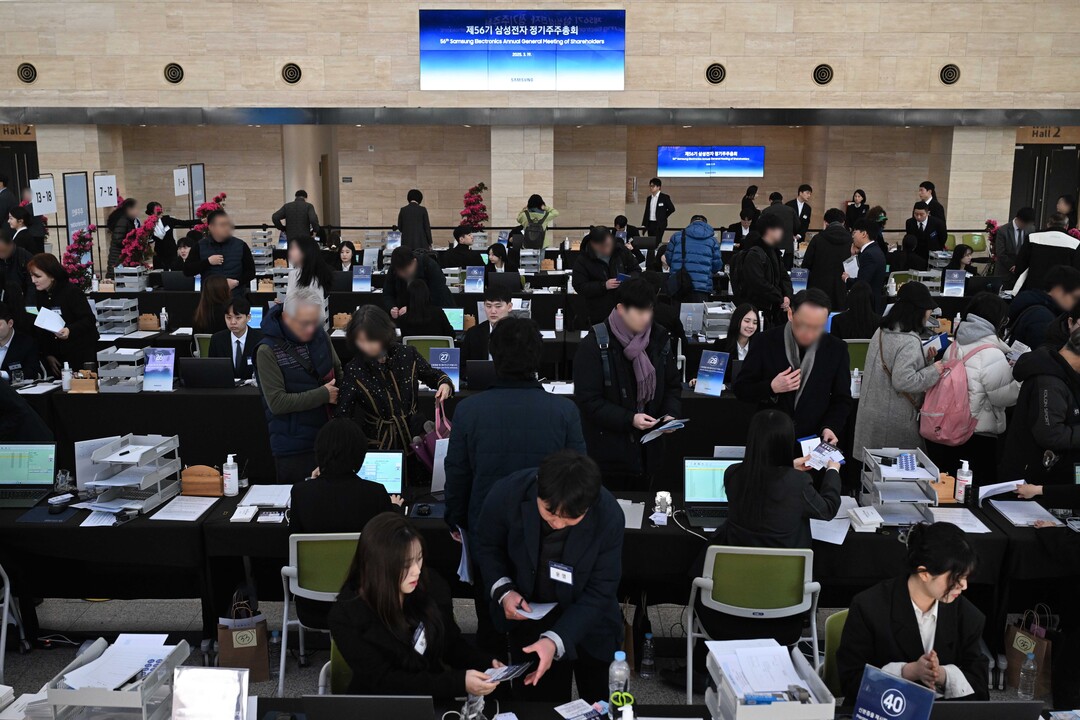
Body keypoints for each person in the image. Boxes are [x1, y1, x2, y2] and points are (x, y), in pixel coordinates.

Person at [445, 318, 586, 651]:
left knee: (490, 620)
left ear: (494, 356)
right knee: (544, 619)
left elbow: (458, 473)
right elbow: (580, 475)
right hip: (548, 531)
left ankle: (491, 678)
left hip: (487, 529)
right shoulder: (564, 411)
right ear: (537, 358)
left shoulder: (469, 410)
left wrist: (455, 518)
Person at [475, 450, 623, 703]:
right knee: (539, 704)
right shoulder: (507, 494)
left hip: (590, 622)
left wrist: (555, 640)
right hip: (531, 619)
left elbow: (601, 589)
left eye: (570, 518)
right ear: (537, 490)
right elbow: (487, 546)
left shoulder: (608, 515)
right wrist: (504, 591)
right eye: (550, 513)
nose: (558, 524)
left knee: (599, 703)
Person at [330, 513, 501, 700]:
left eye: (419, 558)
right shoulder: (347, 616)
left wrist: (486, 664)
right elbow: (384, 682)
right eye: (405, 565)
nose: (417, 570)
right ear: (379, 567)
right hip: (380, 705)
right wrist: (459, 682)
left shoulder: (430, 585)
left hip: (433, 697)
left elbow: (450, 644)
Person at [838, 522, 987, 701]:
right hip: (882, 708)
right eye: (956, 578)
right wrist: (908, 672)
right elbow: (850, 681)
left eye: (965, 577)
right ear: (924, 573)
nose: (964, 585)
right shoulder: (869, 607)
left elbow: (980, 687)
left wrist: (942, 674)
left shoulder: (968, 616)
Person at [573, 279, 681, 490]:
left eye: (649, 310)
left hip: (649, 451)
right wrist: (629, 419)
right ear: (621, 309)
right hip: (609, 453)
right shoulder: (594, 345)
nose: (646, 318)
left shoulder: (659, 337)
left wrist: (670, 414)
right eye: (640, 312)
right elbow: (588, 401)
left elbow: (672, 385)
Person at [734, 289, 852, 443]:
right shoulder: (764, 342)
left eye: (818, 327)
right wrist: (771, 387)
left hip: (813, 441)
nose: (810, 334)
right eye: (804, 325)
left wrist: (830, 427)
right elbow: (742, 389)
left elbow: (842, 399)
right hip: (770, 439)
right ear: (790, 314)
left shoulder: (836, 349)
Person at [926, 293, 1019, 485]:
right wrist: (1019, 380)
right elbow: (1003, 397)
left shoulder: (954, 345)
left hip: (949, 427)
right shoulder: (992, 353)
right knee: (975, 491)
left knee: (951, 487)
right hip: (977, 433)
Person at [335, 305, 452, 454]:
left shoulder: (407, 354)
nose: (366, 346)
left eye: (371, 340)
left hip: (415, 438)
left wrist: (444, 383)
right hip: (379, 443)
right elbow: (343, 415)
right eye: (360, 341)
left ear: (384, 334)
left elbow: (432, 375)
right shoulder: (355, 369)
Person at [256, 286, 342, 484]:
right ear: (286, 317)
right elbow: (277, 403)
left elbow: (337, 370)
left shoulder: (320, 335)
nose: (311, 329)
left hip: (328, 439)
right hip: (293, 447)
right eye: (305, 323)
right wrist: (323, 395)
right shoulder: (266, 350)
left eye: (315, 322)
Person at [852, 282, 944, 462]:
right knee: (898, 471)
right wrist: (934, 370)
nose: (929, 314)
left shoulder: (881, 331)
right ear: (917, 311)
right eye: (928, 309)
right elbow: (903, 381)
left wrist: (925, 360)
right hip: (895, 420)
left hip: (872, 412)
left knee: (872, 469)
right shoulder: (909, 341)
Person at [1001, 324, 1080, 486]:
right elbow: (1051, 434)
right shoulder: (1050, 382)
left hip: (1043, 477)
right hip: (1031, 481)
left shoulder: (1061, 371)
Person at [291, 419, 399, 534]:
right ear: (360, 454)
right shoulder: (376, 493)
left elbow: (293, 538)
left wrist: (312, 485)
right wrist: (395, 507)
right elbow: (390, 537)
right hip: (363, 547)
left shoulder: (301, 493)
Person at [27, 253, 99, 375]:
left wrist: (69, 330)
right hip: (57, 355)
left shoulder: (71, 292)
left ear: (52, 276)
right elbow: (41, 327)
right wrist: (48, 353)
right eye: (31, 276)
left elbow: (88, 319)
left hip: (80, 352)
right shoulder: (39, 295)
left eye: (38, 276)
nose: (33, 280)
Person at [730, 214, 792, 327]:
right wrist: (779, 297)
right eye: (779, 229)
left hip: (774, 309)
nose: (782, 232)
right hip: (757, 310)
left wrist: (787, 295)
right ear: (769, 231)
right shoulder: (755, 254)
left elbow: (784, 276)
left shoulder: (775, 251)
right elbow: (757, 283)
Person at [571, 225, 640, 327]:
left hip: (624, 307)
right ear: (593, 244)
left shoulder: (621, 250)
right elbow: (579, 286)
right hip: (598, 311)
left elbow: (636, 270)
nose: (607, 249)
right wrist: (604, 285)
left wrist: (626, 280)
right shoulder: (584, 259)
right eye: (602, 246)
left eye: (609, 245)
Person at [183, 209, 255, 297]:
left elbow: (251, 272)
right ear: (211, 227)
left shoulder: (241, 245)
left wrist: (237, 282)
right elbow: (187, 270)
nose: (227, 228)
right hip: (210, 298)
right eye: (222, 225)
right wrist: (207, 262)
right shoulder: (200, 246)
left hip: (235, 296)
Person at [1007, 265, 1080, 349]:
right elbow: (1043, 353)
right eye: (1075, 298)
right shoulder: (1043, 318)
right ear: (1058, 290)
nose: (1076, 303)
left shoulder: (1031, 303)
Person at [663, 214, 723, 303]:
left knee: (677, 311)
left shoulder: (677, 237)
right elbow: (717, 266)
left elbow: (669, 259)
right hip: (702, 287)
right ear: (705, 224)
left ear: (691, 223)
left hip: (679, 285)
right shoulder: (712, 241)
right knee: (699, 312)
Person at [802, 208, 852, 310]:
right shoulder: (851, 240)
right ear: (843, 222)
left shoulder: (817, 239)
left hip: (819, 289)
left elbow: (806, 264)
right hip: (842, 288)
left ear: (825, 222)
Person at [1015, 213, 1080, 292]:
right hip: (1060, 291)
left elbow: (1020, 264)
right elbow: (1076, 272)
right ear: (1066, 226)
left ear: (1048, 224)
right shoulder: (1075, 243)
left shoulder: (1032, 238)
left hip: (1033, 287)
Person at [208, 296, 263, 382]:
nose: (233, 322)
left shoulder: (260, 339)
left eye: (238, 317)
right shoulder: (217, 339)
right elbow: (211, 369)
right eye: (228, 318)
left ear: (248, 317)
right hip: (225, 387)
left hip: (252, 388)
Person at [385, 247, 453, 315]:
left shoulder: (429, 266)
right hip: (405, 315)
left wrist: (411, 308)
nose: (402, 275)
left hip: (434, 313)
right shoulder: (395, 268)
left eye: (405, 271)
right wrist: (392, 307)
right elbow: (387, 293)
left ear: (414, 262)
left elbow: (437, 295)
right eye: (399, 272)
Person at [461, 285, 513, 364]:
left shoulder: (520, 333)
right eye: (488, 306)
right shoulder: (473, 333)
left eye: (498, 306)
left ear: (509, 307)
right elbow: (463, 365)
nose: (493, 311)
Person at [844, 219, 888, 313]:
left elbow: (862, 282)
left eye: (855, 232)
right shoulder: (874, 250)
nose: (853, 236)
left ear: (864, 234)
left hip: (867, 305)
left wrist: (846, 279)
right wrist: (853, 256)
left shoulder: (869, 254)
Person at [145, 201, 194, 271]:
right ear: (151, 212)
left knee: (174, 270)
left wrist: (200, 221)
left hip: (171, 250)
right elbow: (149, 239)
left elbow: (184, 222)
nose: (159, 211)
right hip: (159, 251)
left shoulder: (167, 220)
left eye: (160, 209)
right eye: (157, 209)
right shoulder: (149, 224)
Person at [757, 191, 797, 269]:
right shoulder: (791, 210)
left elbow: (760, 227)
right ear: (781, 200)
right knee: (787, 270)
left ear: (771, 200)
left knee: (772, 269)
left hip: (771, 247)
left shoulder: (766, 211)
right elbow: (797, 226)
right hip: (788, 246)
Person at [0, 303, 39, 380]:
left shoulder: (26, 343)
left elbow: (32, 372)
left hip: (14, 386)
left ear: (10, 323)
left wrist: (3, 374)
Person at [994, 207, 1036, 278]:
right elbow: (1000, 253)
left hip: (1022, 273)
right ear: (1019, 220)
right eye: (1026, 224)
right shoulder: (1003, 231)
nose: (1027, 227)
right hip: (1005, 272)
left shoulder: (1031, 229)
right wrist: (1012, 266)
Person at [0, 224, 33, 311]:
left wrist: (30, 308)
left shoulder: (25, 257)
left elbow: (32, 286)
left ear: (11, 244)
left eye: (3, 251)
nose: (1, 255)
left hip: (24, 303)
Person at [105, 198, 139, 277]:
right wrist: (131, 244)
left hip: (121, 257)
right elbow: (118, 239)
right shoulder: (123, 221)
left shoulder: (128, 220)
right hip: (118, 257)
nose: (137, 211)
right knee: (115, 278)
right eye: (136, 208)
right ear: (129, 209)